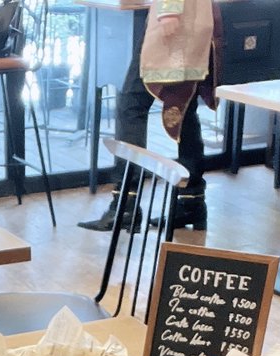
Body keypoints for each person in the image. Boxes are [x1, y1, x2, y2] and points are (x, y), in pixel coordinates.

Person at [79, 0, 215, 233]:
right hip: (193, 17)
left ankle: (126, 205)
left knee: (132, 105)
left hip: (175, 18)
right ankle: (191, 202)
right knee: (185, 108)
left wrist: (169, 9)